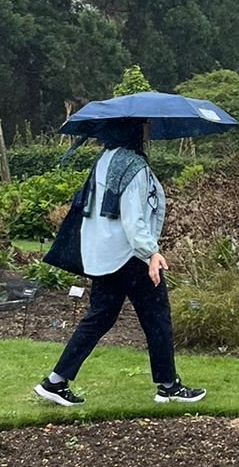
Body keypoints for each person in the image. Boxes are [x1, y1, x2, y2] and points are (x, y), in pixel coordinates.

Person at [34, 118, 205, 409]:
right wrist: (151, 252)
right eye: (144, 125)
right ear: (133, 130)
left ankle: (55, 381)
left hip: (104, 255)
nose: (148, 129)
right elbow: (133, 218)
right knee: (157, 317)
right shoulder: (133, 167)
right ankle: (168, 386)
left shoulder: (105, 160)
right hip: (131, 256)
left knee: (99, 317)